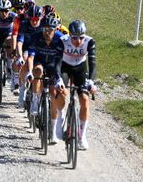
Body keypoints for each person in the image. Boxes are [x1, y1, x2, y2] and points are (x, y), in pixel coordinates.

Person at [26, 14, 66, 144]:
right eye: (45, 29)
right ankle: (35, 100)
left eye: (50, 30)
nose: (47, 32)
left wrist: (60, 77)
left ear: (56, 30)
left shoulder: (61, 40)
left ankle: (53, 131)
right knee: (38, 71)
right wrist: (30, 73)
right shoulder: (36, 37)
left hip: (54, 66)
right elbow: (31, 57)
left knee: (54, 95)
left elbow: (63, 61)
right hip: (39, 62)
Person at [60, 20, 97, 150]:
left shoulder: (89, 41)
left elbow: (92, 63)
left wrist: (91, 81)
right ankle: (60, 115)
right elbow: (58, 61)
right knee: (61, 92)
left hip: (80, 69)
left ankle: (82, 135)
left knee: (85, 100)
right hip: (65, 68)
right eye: (74, 37)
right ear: (69, 35)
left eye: (81, 37)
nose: (78, 41)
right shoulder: (63, 40)